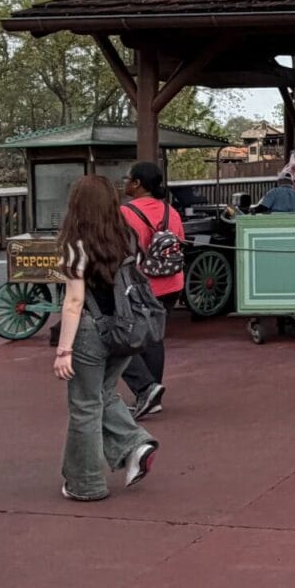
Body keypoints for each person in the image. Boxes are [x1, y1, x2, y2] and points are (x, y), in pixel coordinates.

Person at [54, 176, 160, 500]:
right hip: (126, 328)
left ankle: (86, 482)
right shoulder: (126, 236)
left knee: (85, 405)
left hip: (89, 330)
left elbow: (73, 301)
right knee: (103, 393)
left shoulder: (76, 244)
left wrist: (63, 349)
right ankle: (134, 445)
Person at [119, 160, 185, 418]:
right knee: (155, 338)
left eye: (127, 178)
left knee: (123, 337)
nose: (124, 182)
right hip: (172, 282)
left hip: (141, 285)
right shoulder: (171, 211)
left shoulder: (126, 213)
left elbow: (122, 251)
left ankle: (145, 389)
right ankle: (150, 394)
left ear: (137, 183)